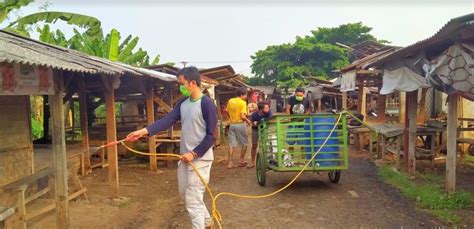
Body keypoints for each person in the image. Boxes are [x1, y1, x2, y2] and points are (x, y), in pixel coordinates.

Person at [126, 66, 217, 229]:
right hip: (184, 158)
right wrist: (143, 132)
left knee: (193, 198)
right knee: (186, 195)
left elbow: (212, 136)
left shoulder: (207, 104)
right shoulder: (183, 102)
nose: (179, 87)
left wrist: (195, 153)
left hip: (201, 159)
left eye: (182, 83)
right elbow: (167, 120)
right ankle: (207, 222)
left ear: (192, 83)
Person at [226, 87, 251, 168]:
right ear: (241, 95)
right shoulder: (243, 103)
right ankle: (241, 160)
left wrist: (231, 118)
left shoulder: (230, 101)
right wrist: (248, 121)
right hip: (240, 124)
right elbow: (242, 116)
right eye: (246, 95)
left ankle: (230, 163)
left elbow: (227, 111)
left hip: (232, 125)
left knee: (231, 144)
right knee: (245, 143)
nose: (246, 96)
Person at [248, 101, 272, 168]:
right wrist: (253, 123)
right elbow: (251, 123)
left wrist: (258, 122)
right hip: (255, 129)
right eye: (266, 108)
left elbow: (270, 120)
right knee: (254, 145)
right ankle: (253, 162)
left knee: (265, 144)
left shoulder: (269, 112)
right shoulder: (254, 115)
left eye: (268, 108)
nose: (268, 109)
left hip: (264, 129)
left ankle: (266, 161)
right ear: (261, 109)